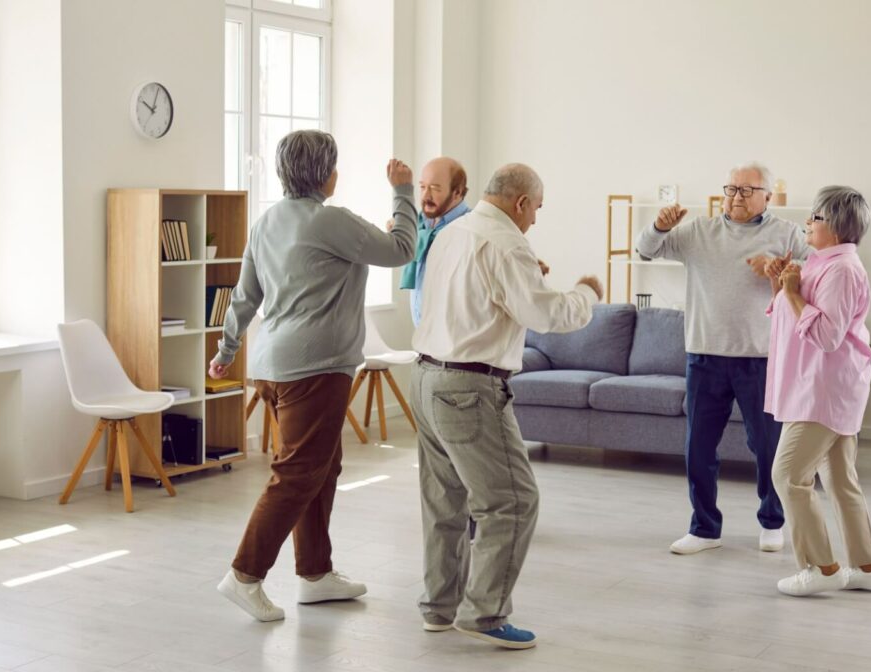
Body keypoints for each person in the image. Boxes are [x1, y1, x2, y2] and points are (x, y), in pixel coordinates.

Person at [210, 130, 418, 621]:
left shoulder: (266, 223)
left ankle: (315, 574)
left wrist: (226, 350)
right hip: (315, 368)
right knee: (298, 473)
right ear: (327, 174)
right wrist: (403, 191)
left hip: (271, 365)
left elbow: (244, 297)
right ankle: (244, 575)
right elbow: (402, 248)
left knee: (320, 467)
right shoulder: (330, 220)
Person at [411, 163, 602, 649]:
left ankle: (439, 606)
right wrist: (587, 293)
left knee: (444, 502)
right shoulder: (508, 243)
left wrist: (522, 278)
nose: (535, 219)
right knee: (512, 503)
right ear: (520, 203)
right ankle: (485, 614)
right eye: (536, 208)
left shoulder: (452, 234)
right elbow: (548, 315)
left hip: (427, 378)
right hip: (469, 389)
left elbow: (469, 298)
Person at [636, 162, 810, 555]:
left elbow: (818, 270)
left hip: (759, 358)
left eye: (747, 190)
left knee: (766, 445)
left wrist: (785, 272)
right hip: (704, 356)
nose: (736, 197)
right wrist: (660, 226)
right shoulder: (699, 232)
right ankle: (704, 528)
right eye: (731, 188)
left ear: (767, 196)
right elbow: (645, 250)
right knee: (698, 447)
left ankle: (772, 521)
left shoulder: (785, 234)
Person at [764, 185, 871, 596]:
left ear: (834, 226)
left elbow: (828, 335)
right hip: (819, 385)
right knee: (838, 479)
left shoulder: (842, 270)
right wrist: (781, 286)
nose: (807, 222)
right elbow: (791, 316)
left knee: (788, 475)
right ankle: (867, 567)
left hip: (824, 389)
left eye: (815, 217)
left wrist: (793, 293)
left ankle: (820, 568)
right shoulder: (821, 263)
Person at [400, 157, 471, 326]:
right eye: (423, 187)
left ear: (458, 192)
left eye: (435, 188)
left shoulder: (472, 228)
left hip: (457, 340)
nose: (426, 195)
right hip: (424, 337)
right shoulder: (419, 223)